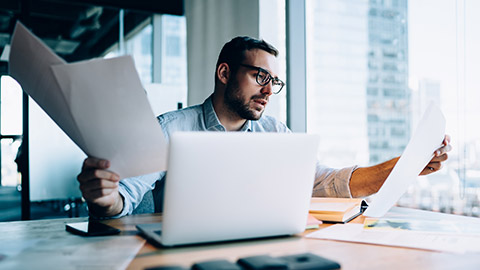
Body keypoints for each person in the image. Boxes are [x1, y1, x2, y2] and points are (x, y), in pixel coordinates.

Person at [77, 36, 451, 218]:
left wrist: (404, 165)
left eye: (275, 81)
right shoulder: (172, 128)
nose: (269, 90)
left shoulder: (275, 132)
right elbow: (123, 195)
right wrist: (105, 197)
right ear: (224, 73)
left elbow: (326, 183)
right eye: (260, 76)